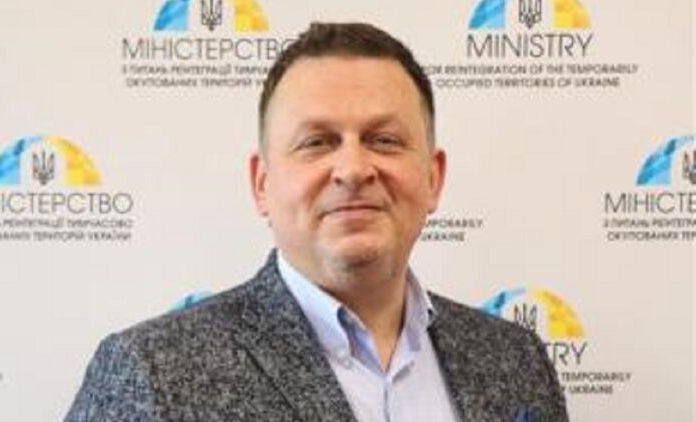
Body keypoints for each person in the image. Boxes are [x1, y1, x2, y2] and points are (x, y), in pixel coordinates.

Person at [66, 22, 568, 422]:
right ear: (262, 184)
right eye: (317, 142)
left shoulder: (516, 360)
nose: (353, 169)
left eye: (384, 140)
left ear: (433, 178)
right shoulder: (152, 370)